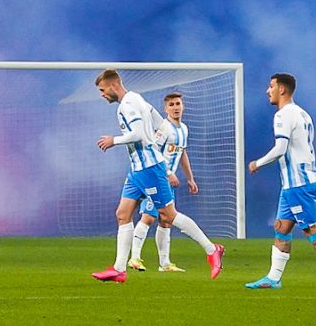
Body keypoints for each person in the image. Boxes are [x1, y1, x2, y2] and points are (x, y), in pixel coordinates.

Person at [90, 69, 224, 283]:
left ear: (113, 86)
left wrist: (113, 140)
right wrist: (158, 135)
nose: (102, 94)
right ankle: (119, 269)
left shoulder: (127, 105)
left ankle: (212, 249)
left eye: (102, 90)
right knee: (122, 214)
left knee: (168, 216)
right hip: (136, 170)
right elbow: (159, 122)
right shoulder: (136, 97)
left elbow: (138, 134)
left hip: (150, 168)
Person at [245, 73, 316, 290]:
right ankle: (273, 278)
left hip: (298, 184)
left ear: (282, 89)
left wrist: (258, 163)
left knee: (312, 229)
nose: (268, 90)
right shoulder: (303, 114)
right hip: (295, 183)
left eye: (271, 86)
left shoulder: (283, 115)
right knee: (281, 227)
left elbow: (281, 148)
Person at [128, 92, 200, 272]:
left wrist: (190, 178)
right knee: (149, 216)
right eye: (172, 105)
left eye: (178, 104)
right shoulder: (164, 128)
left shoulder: (184, 129)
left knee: (166, 221)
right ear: (165, 109)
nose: (175, 107)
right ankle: (134, 258)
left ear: (183, 106)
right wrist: (167, 173)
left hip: (167, 180)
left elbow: (182, 153)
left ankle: (165, 263)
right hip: (156, 177)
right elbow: (152, 149)